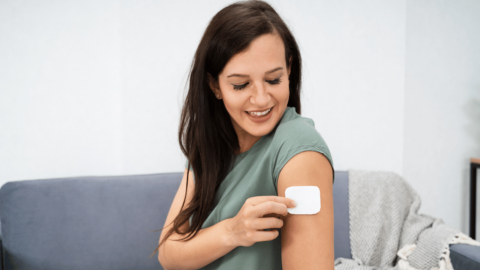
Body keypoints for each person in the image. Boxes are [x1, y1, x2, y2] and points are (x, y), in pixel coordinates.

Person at [153, 0, 335, 269]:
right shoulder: (210, 148)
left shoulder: (299, 148)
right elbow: (168, 254)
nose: (261, 99)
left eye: (274, 79)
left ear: (289, 69)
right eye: (241, 85)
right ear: (215, 85)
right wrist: (232, 232)